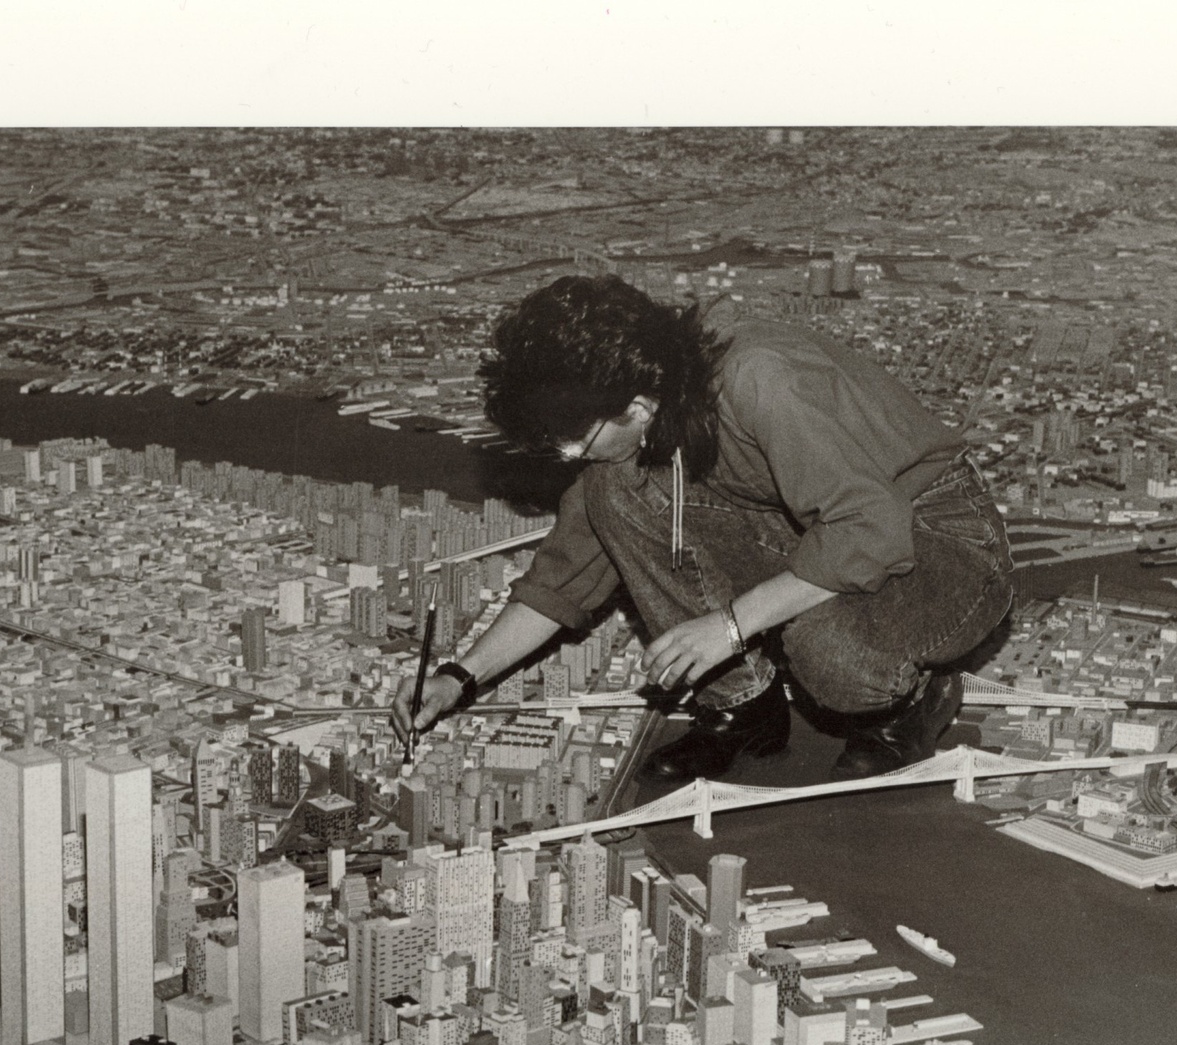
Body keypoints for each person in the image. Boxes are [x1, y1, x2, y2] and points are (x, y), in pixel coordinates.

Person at [392, 274, 1016, 784]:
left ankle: (914, 701)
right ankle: (744, 706)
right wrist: (459, 678)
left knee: (834, 658)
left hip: (936, 531)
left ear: (636, 408)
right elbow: (568, 571)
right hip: (813, 527)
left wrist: (731, 624)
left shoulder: (759, 378)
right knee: (613, 490)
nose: (572, 458)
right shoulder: (651, 407)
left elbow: (868, 530)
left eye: (577, 441)